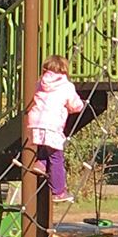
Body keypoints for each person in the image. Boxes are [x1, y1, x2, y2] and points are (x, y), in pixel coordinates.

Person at [25, 56, 87, 205]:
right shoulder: (66, 86)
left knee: (45, 146)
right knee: (56, 157)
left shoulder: (40, 82)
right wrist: (80, 105)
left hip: (35, 121)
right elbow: (74, 104)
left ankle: (40, 163)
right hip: (52, 124)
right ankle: (58, 191)